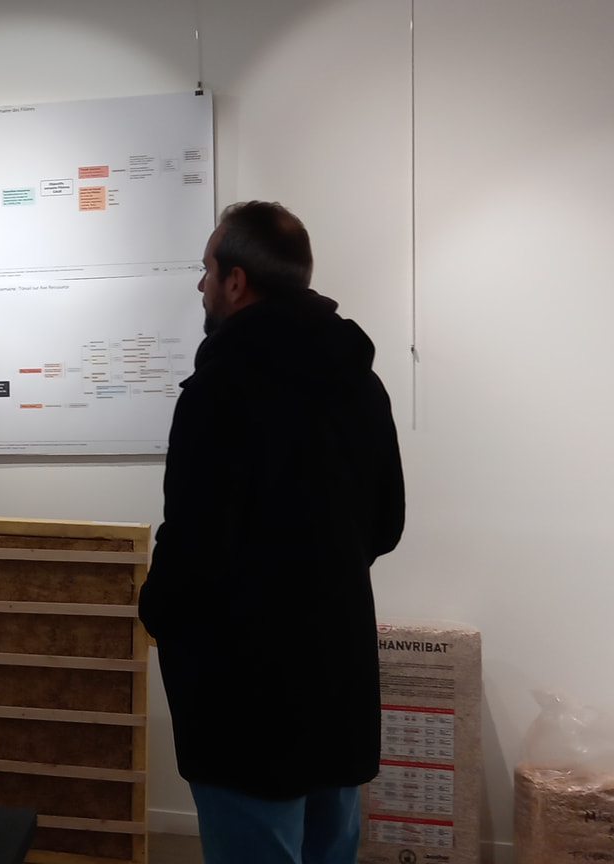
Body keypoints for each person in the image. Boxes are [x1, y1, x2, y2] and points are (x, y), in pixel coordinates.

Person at [138, 202, 405, 864]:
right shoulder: (360, 383)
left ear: (236, 282)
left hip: (242, 695)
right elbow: (387, 524)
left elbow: (193, 541)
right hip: (336, 677)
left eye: (206, 269)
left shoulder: (219, 390)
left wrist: (157, 610)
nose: (200, 284)